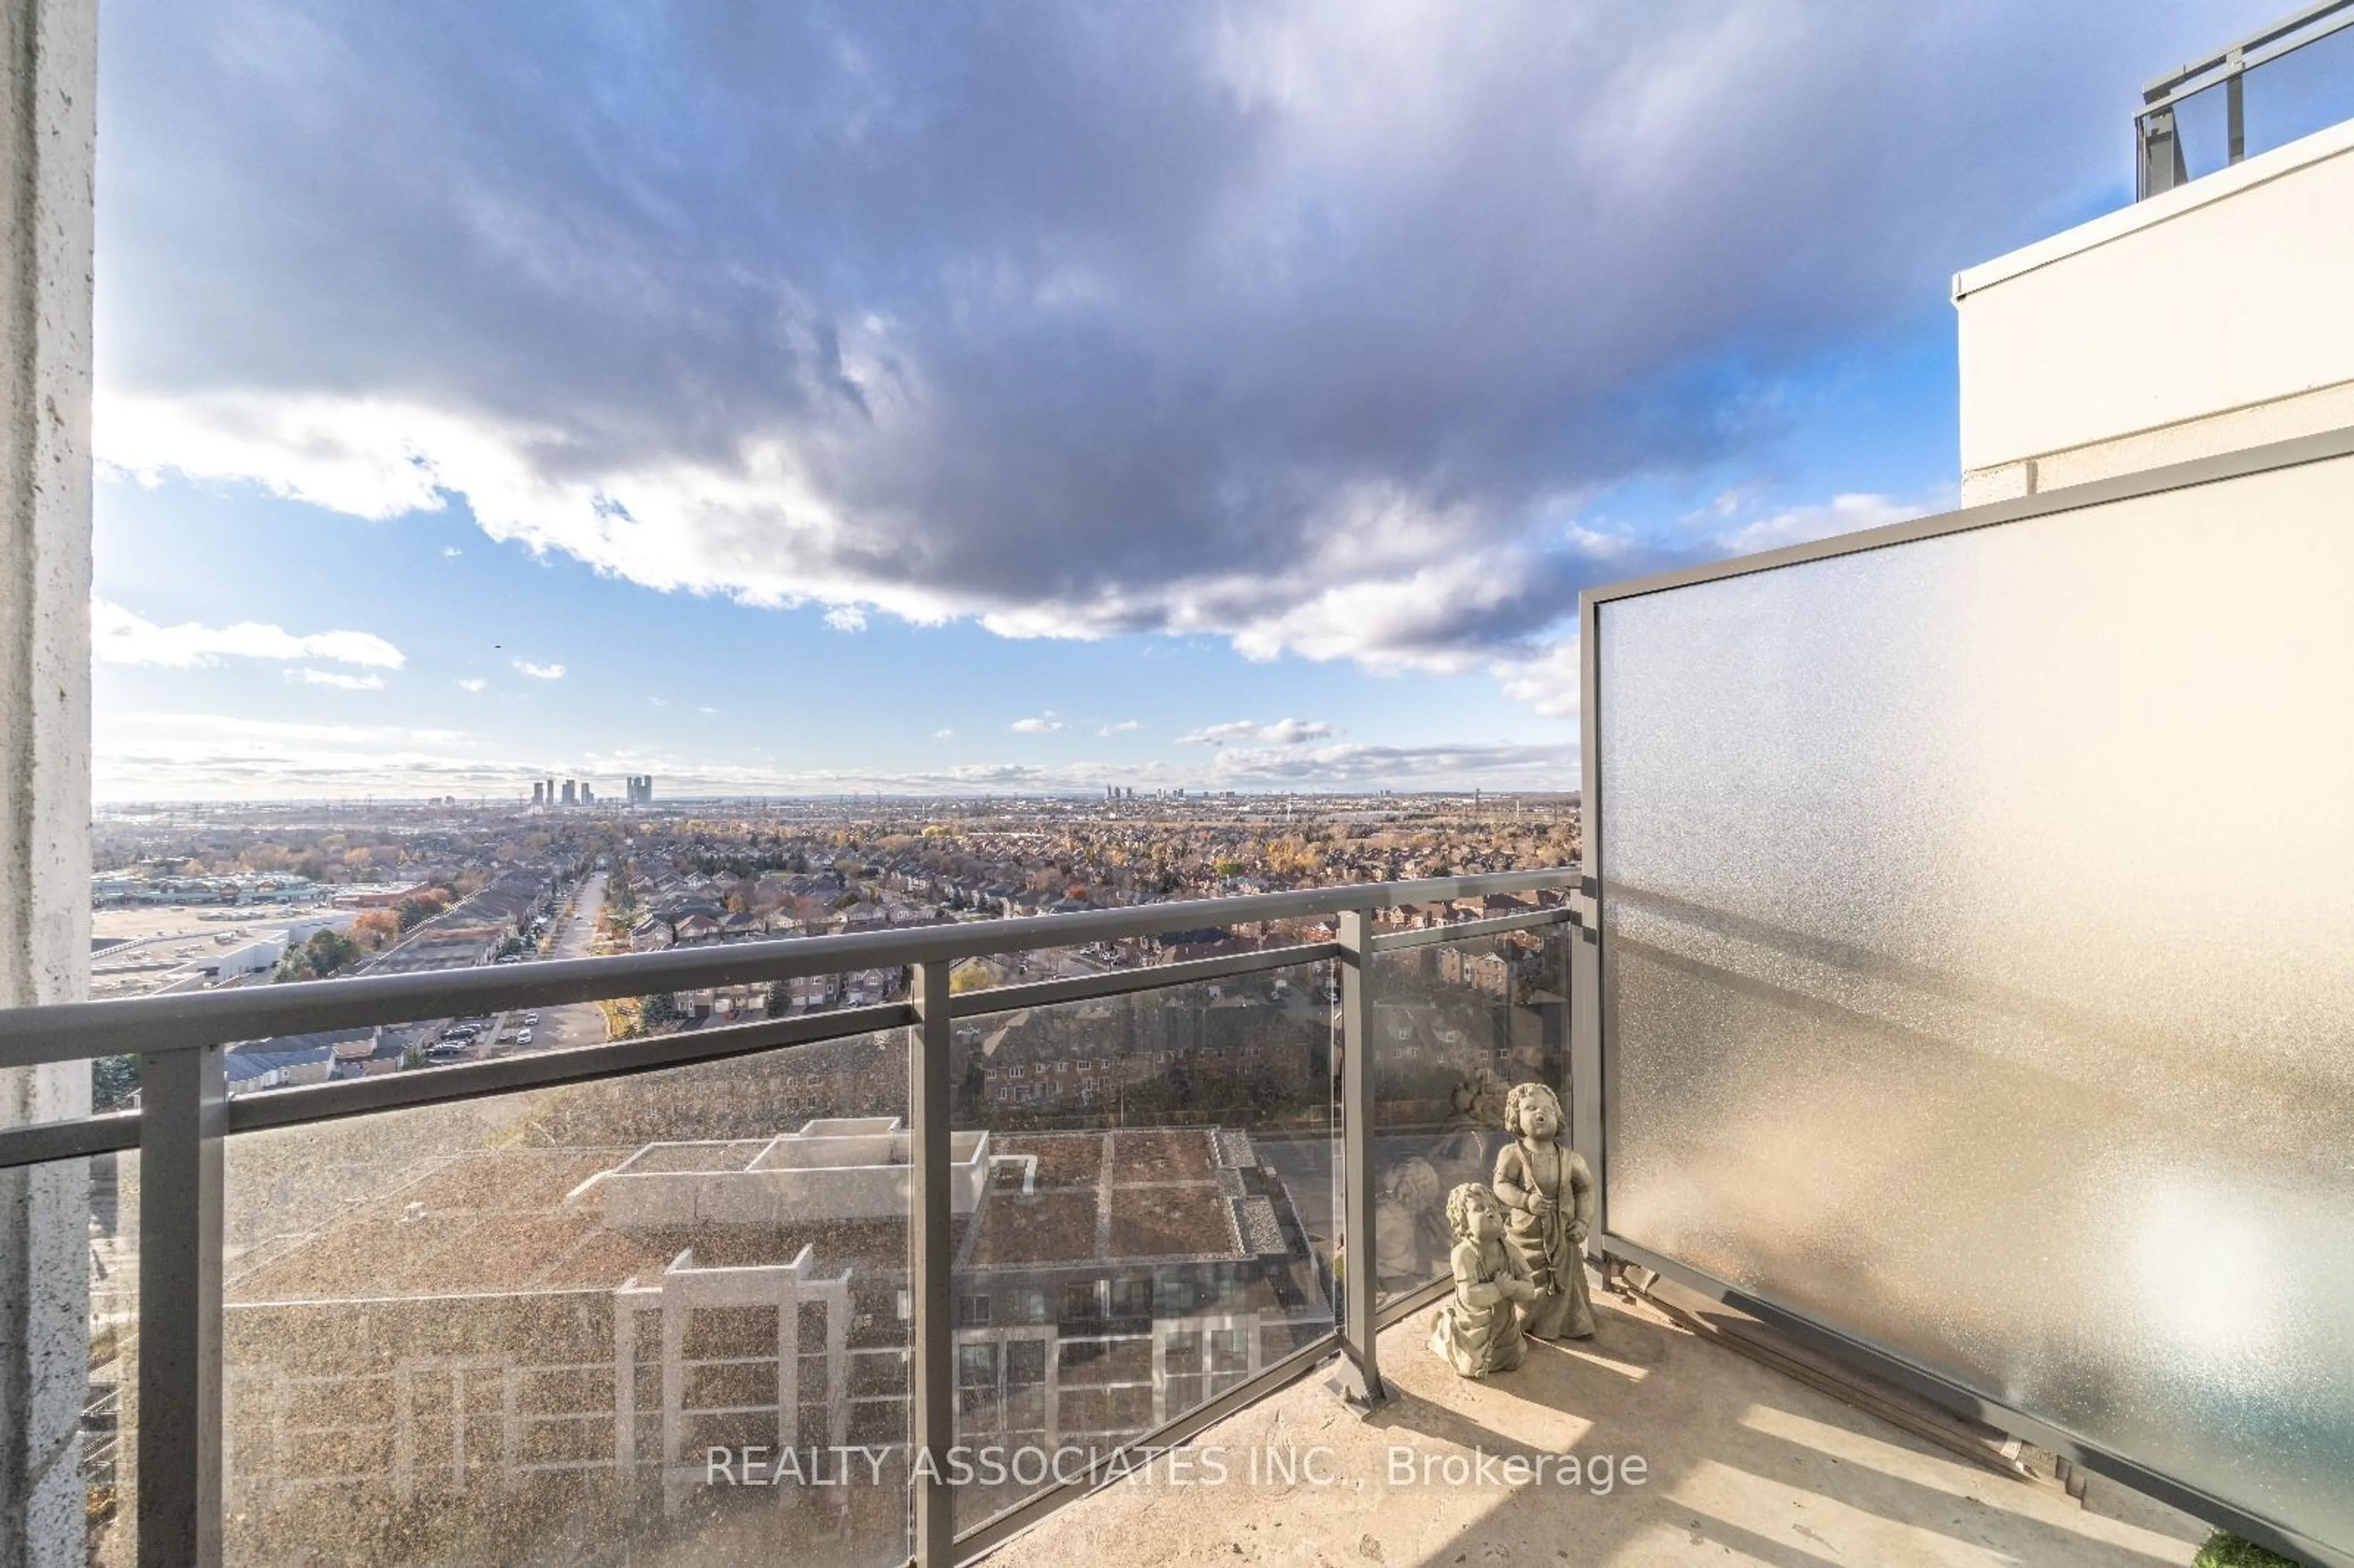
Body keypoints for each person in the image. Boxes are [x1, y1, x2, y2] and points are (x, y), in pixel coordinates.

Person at [1491, 1082, 1596, 1339]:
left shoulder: (1572, 1159)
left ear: (1558, 1117)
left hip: (1563, 1237)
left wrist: (1582, 1222)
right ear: (1516, 1117)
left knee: (1566, 1283)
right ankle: (1525, 1320)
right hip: (1526, 1238)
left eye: (1548, 1109)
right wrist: (1526, 1201)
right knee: (1526, 1281)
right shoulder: (1512, 1154)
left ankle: (1570, 1322)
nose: (1541, 1113)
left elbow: (1586, 1189)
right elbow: (1500, 1185)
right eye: (1531, 1108)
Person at [1427, 1183, 1535, 1377]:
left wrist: (1512, 1288)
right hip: (1474, 1330)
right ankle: (1444, 1335)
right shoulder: (1463, 1254)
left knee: (1516, 1356)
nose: (1490, 1212)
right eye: (1479, 1209)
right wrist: (1498, 1289)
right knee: (1469, 1367)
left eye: (1492, 1207)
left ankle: (1502, 1350)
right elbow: (1468, 1295)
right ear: (1463, 1222)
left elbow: (1529, 1289)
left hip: (1506, 1330)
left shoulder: (1509, 1250)